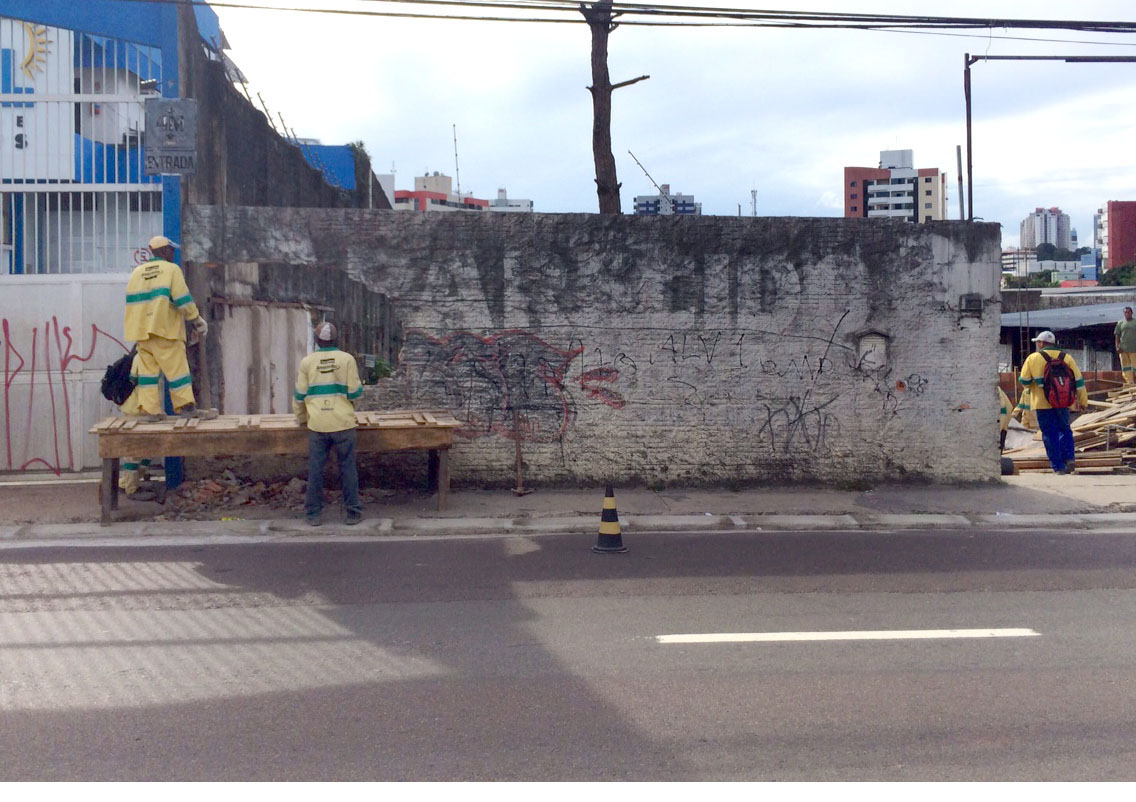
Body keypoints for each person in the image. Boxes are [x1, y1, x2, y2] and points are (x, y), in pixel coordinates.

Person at [123, 235, 210, 418]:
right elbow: (182, 299)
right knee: (177, 370)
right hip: (164, 330)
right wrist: (196, 319)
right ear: (163, 251)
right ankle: (186, 407)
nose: (173, 254)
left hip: (141, 333)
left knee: (147, 374)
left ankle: (151, 411)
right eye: (171, 250)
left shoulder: (137, 273)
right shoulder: (171, 270)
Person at [293, 321, 364, 526]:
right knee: (348, 468)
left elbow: (299, 396)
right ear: (336, 339)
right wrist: (347, 408)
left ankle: (313, 514)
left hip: (318, 425)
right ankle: (353, 513)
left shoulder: (307, 362)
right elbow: (355, 393)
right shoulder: (347, 359)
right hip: (343, 424)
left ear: (317, 340)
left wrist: (302, 418)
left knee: (316, 470)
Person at [1017, 330, 1088, 475]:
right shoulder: (1067, 357)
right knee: (1065, 429)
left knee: (1050, 434)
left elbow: (1024, 381)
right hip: (1063, 402)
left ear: (1041, 343)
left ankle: (1058, 467)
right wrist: (1083, 401)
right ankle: (1069, 458)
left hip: (1042, 403)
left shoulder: (1033, 358)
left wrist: (1036, 383)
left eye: (1038, 342)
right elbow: (1079, 382)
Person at [1115, 306, 1136, 386]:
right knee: (1126, 367)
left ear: (1132, 313)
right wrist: (1117, 346)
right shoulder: (1120, 323)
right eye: (1125, 312)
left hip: (1134, 349)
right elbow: (1117, 335)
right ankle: (1129, 383)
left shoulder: (1135, 322)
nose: (1127, 314)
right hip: (1123, 349)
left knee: (1135, 366)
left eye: (1128, 312)